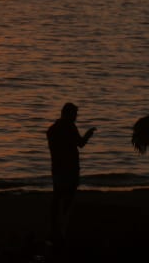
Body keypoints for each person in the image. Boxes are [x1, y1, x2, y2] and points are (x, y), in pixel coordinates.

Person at [46, 102, 95, 243]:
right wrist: (88, 134)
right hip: (70, 168)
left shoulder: (52, 129)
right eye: (74, 115)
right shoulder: (70, 127)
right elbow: (80, 143)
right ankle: (63, 226)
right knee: (68, 198)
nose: (76, 117)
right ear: (69, 114)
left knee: (57, 197)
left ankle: (55, 227)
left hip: (57, 168)